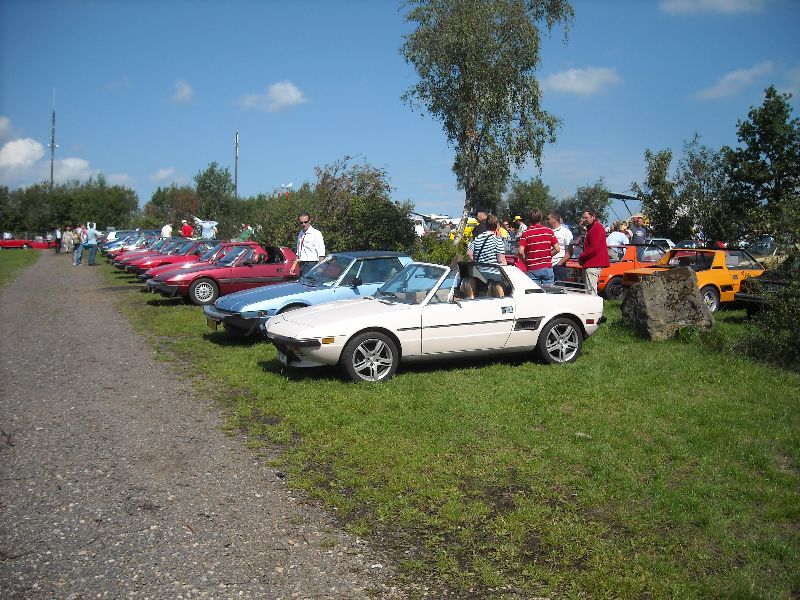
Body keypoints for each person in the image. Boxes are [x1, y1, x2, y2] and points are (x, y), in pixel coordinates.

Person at [518, 209, 559, 286]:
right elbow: (557, 249)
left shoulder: (526, 233)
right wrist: (546, 255)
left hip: (532, 268)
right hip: (547, 267)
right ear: (540, 218)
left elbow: (520, 252)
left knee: (534, 294)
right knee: (549, 294)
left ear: (529, 219)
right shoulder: (549, 231)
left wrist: (526, 261)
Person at [577, 210, 610, 295]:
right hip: (591, 263)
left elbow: (593, 248)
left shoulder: (597, 228)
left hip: (593, 264)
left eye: (586, 218)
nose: (584, 220)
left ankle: (594, 307)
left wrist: (581, 257)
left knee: (590, 292)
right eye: (583, 218)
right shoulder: (591, 228)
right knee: (589, 290)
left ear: (593, 217)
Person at [548, 211, 573, 284]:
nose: (547, 221)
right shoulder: (548, 231)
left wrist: (559, 264)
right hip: (547, 266)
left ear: (554, 219)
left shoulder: (566, 232)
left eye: (548, 219)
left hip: (558, 266)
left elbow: (570, 252)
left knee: (559, 290)